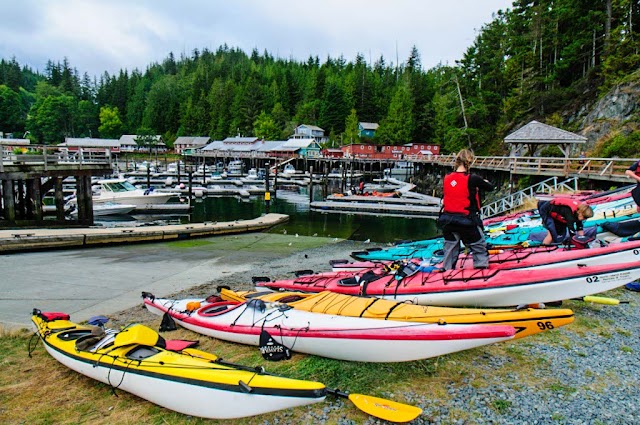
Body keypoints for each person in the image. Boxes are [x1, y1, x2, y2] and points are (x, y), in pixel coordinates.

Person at [439, 149, 495, 270]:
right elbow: (490, 188)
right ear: (469, 162)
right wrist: (484, 182)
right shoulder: (473, 178)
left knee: (450, 247)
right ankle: (481, 269)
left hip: (448, 220)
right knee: (479, 245)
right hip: (467, 221)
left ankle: (447, 271)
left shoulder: (447, 177)